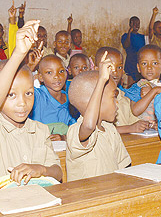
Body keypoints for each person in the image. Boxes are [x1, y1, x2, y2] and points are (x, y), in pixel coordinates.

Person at [0, 20, 62, 217]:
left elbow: (58, 173)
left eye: (28, 94)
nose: (22, 103)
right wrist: (18, 54)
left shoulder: (40, 130)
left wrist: (40, 169)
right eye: (11, 95)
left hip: (31, 206)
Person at [66, 52, 131, 181]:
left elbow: (124, 167)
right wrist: (101, 80)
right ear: (95, 100)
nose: (117, 102)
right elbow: (89, 125)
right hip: (88, 199)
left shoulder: (110, 129)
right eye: (113, 97)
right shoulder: (76, 130)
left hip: (112, 194)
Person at [94, 47, 147, 134]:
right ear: (96, 69)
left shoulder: (125, 96)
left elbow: (134, 122)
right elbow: (96, 130)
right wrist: (129, 128)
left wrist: (147, 125)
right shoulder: (94, 98)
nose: (115, 72)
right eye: (109, 67)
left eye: (119, 67)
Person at [30, 55, 76, 141]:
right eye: (49, 72)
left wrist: (64, 137)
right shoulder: (37, 96)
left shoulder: (71, 100)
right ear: (40, 77)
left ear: (66, 73)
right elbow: (19, 87)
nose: (56, 76)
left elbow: (76, 131)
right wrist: (30, 68)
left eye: (61, 71)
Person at [125, 45, 161, 128]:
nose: (149, 67)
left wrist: (156, 89)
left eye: (155, 63)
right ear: (138, 68)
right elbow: (136, 111)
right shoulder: (137, 87)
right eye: (144, 63)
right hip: (145, 130)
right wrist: (152, 93)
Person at [121, 16, 146, 82]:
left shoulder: (142, 37)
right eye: (134, 24)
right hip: (131, 62)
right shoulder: (126, 36)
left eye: (138, 24)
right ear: (130, 24)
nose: (137, 25)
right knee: (131, 83)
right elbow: (126, 45)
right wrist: (130, 32)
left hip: (140, 61)